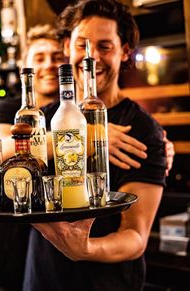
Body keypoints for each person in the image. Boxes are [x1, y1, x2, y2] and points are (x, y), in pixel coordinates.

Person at [23, 1, 168, 290]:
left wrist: (86, 249)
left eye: (105, 46)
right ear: (66, 46)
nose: (92, 58)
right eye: (82, 45)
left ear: (125, 51)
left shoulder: (141, 129)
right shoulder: (46, 117)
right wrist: (87, 138)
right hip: (42, 281)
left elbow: (135, 236)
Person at [0, 24, 66, 291]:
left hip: (52, 267)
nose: (49, 64)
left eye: (57, 57)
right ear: (25, 67)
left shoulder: (70, 116)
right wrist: (75, 139)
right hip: (3, 261)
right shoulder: (8, 109)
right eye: (39, 58)